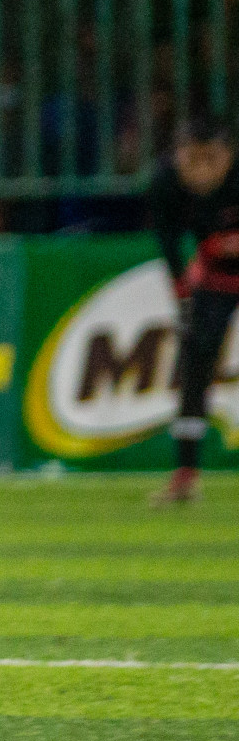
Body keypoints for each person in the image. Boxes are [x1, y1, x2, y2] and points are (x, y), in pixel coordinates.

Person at [149, 115, 239, 505]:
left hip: (218, 263)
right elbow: (168, 237)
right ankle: (185, 475)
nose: (200, 169)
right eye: (191, 158)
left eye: (211, 158)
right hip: (215, 279)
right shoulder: (165, 181)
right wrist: (181, 288)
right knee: (194, 364)